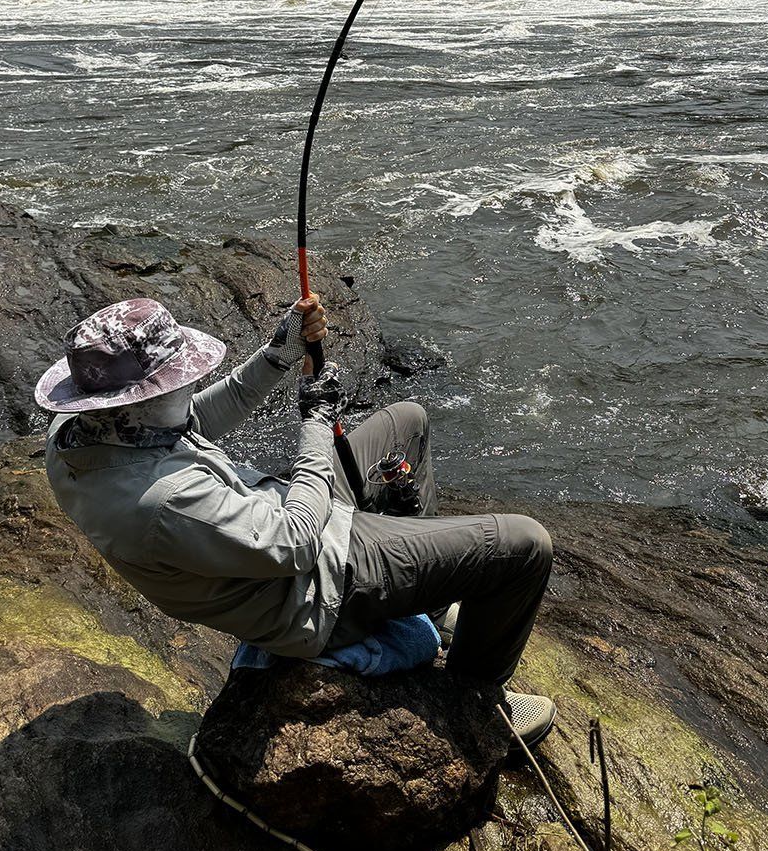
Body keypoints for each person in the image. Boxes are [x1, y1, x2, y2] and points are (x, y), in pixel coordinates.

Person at [35, 294, 557, 745]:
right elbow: (298, 541)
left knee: (408, 421)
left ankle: (431, 595)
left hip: (290, 523)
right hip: (316, 587)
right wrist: (314, 422)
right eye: (181, 380)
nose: (191, 385)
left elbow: (196, 420)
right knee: (526, 546)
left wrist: (276, 356)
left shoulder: (83, 436)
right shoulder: (162, 503)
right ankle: (479, 704)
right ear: (143, 399)